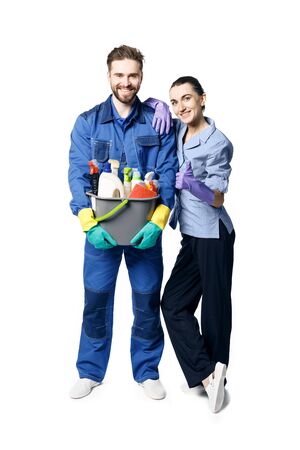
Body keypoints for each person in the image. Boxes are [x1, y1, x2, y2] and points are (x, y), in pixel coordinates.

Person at [68, 45, 177, 400]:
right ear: (109, 76)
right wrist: (88, 223)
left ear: (141, 77)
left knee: (146, 300)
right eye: (119, 75)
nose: (126, 82)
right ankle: (90, 371)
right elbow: (77, 174)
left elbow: (168, 169)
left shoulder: (157, 121)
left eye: (132, 75)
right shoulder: (88, 122)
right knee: (95, 300)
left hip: (144, 232)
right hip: (102, 231)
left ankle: (147, 371)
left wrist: (159, 220)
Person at [161, 76, 235, 413]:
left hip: (214, 233)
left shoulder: (218, 143)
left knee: (215, 309)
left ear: (203, 99)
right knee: (173, 304)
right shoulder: (179, 130)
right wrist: (158, 106)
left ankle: (218, 378)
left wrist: (195, 187)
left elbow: (218, 199)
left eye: (187, 99)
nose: (181, 107)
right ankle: (205, 375)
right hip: (191, 234)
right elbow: (157, 109)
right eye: (174, 102)